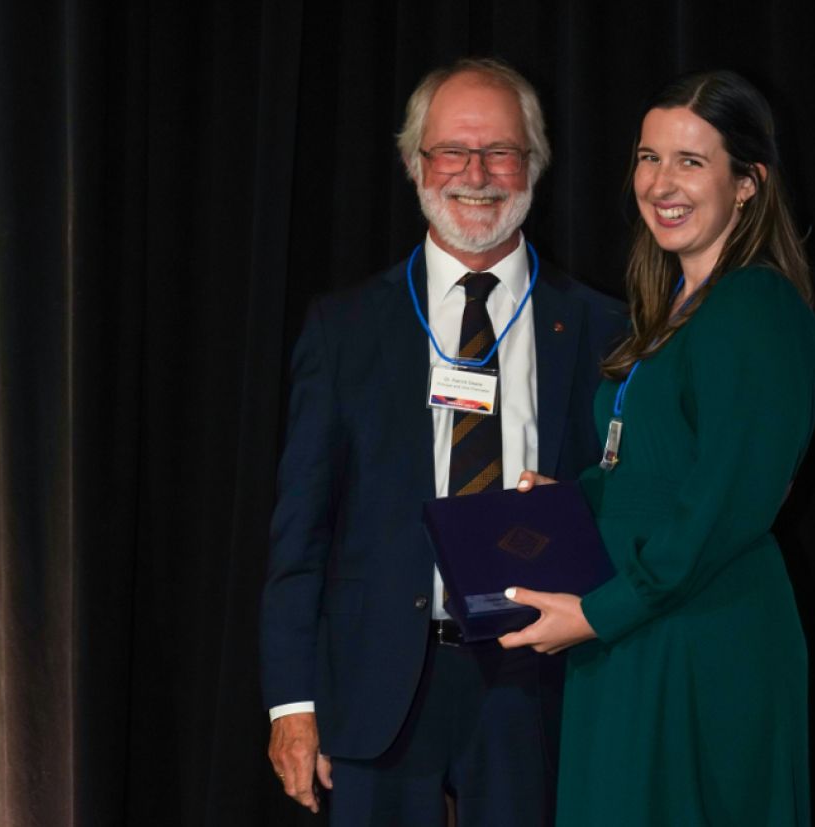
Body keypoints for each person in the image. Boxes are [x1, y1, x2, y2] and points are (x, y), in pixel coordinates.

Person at [260, 57, 624, 827]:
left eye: (501, 152)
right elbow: (301, 530)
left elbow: (627, 510)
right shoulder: (344, 328)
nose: (477, 175)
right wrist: (292, 700)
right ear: (414, 163)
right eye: (453, 151)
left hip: (541, 679)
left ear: (535, 163)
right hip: (378, 682)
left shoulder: (604, 329)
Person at [500, 70, 815, 826]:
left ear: (747, 183)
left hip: (697, 636)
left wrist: (600, 613)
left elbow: (722, 506)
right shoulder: (670, 308)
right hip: (635, 625)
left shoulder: (756, 305)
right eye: (649, 158)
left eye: (691, 161)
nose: (661, 183)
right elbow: (650, 471)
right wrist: (574, 501)